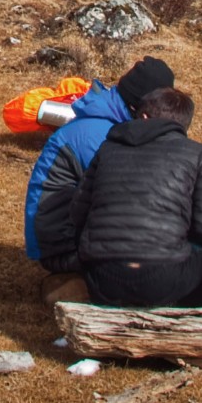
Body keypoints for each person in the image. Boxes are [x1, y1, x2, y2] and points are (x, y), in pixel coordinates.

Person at [70, 87, 202, 308]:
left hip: (102, 277)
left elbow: (78, 212)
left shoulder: (108, 148)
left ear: (144, 116)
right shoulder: (199, 155)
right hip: (163, 279)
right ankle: (187, 309)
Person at [25, 56, 174, 288]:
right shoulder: (99, 133)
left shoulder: (109, 123)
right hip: (61, 246)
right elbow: (124, 198)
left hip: (69, 235)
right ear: (143, 106)